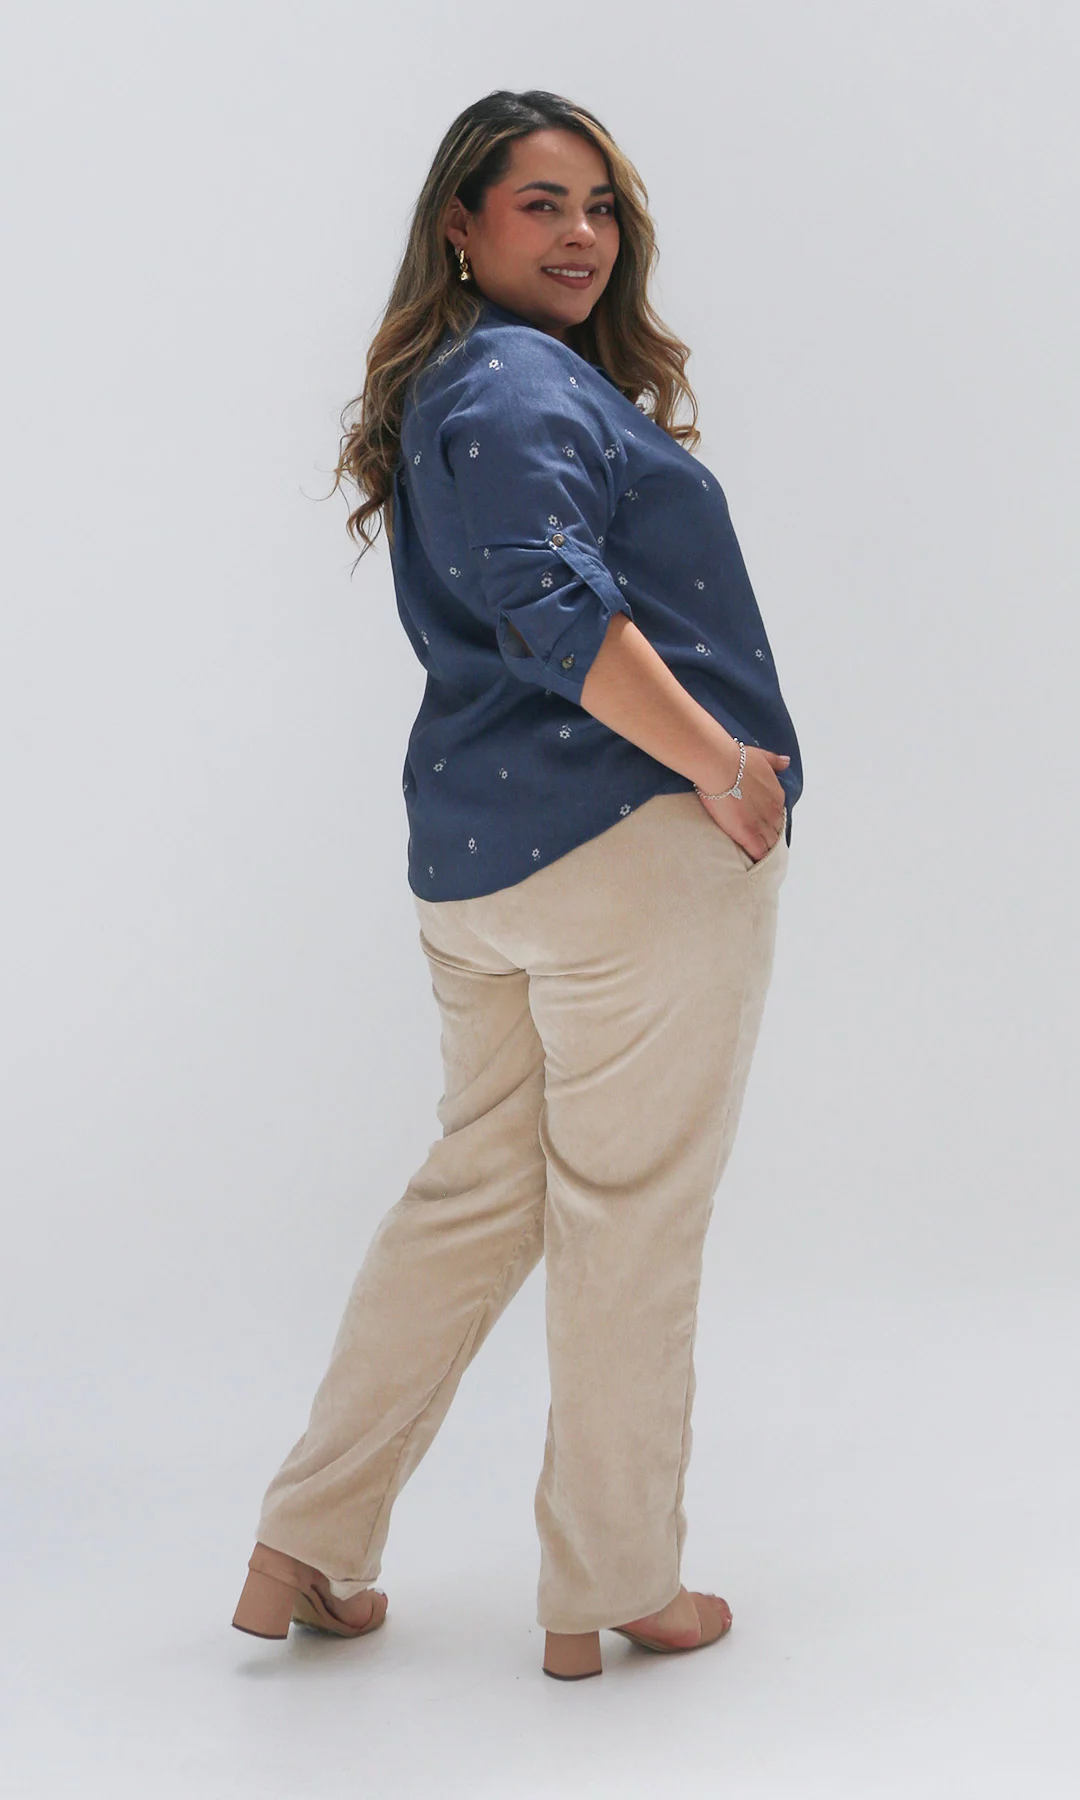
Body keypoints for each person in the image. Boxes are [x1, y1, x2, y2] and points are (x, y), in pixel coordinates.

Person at [231, 87, 803, 1682]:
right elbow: (555, 608)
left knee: (476, 1194)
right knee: (632, 1215)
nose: (582, 235)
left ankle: (308, 1538)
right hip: (629, 860)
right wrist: (723, 768)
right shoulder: (521, 380)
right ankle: (614, 1586)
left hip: (480, 873)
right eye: (542, 203)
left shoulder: (450, 386)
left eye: (601, 207)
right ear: (460, 225)